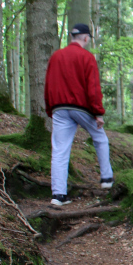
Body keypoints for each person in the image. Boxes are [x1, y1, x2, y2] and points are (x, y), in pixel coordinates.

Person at [44, 23, 113, 206]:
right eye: (88, 38)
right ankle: (106, 178)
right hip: (81, 107)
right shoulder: (86, 57)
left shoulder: (56, 56)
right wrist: (98, 112)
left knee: (59, 150)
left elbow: (48, 84)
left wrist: (50, 108)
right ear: (85, 37)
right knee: (100, 138)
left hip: (59, 107)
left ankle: (58, 195)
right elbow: (93, 87)